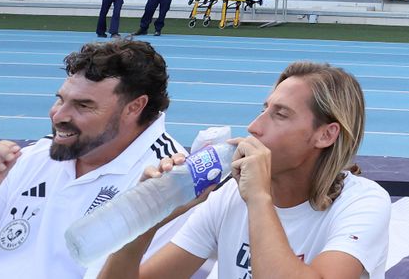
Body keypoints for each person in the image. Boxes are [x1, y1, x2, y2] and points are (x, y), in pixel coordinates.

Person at [99, 61, 391, 278]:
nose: (254, 127)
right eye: (263, 109)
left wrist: (259, 199)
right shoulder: (228, 198)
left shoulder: (362, 203)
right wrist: (146, 221)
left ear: (326, 135)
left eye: (280, 114)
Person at [0, 39, 183, 277]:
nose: (58, 115)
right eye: (60, 99)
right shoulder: (34, 157)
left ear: (134, 107)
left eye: (83, 105)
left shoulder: (168, 181)